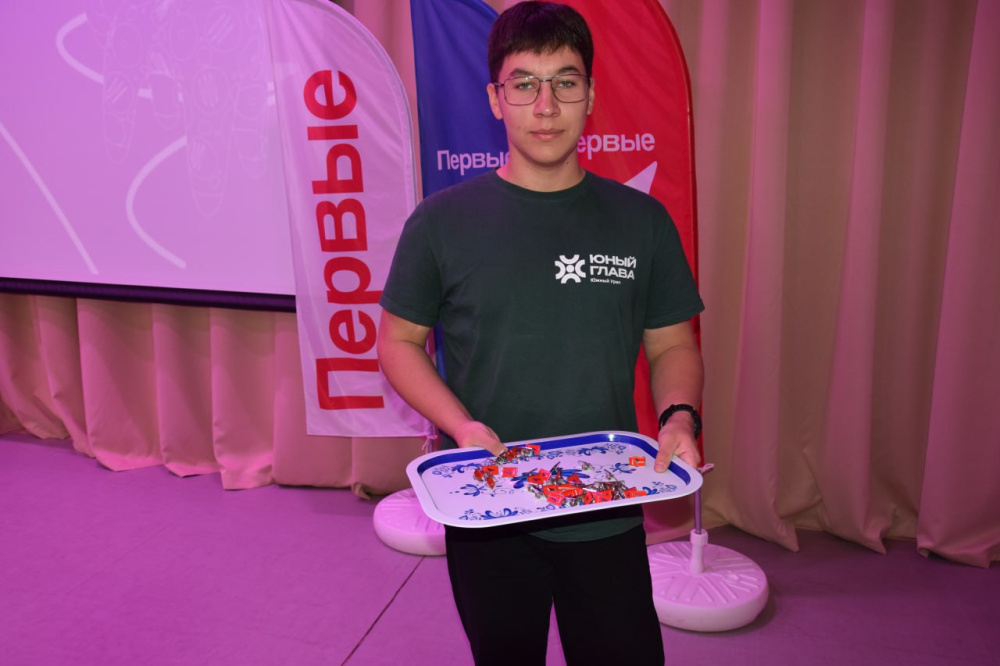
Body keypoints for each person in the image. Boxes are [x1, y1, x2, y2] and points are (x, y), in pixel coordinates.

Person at [377, 2, 704, 663]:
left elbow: (673, 343)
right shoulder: (440, 223)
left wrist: (679, 417)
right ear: (495, 99)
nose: (546, 106)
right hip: (489, 504)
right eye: (524, 84)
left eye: (565, 82)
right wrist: (460, 425)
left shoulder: (641, 221)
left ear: (591, 96)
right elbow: (398, 342)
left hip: (606, 501)